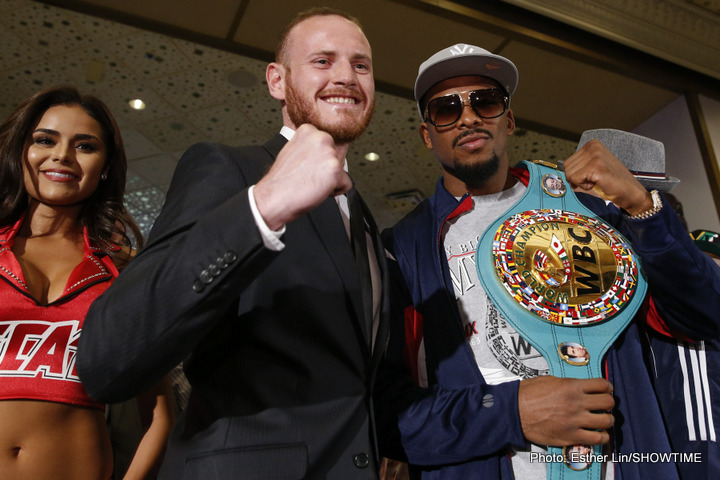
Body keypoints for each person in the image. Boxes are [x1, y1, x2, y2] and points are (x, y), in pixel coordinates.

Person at [375, 43, 720, 479]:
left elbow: (705, 316)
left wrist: (640, 206)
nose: (468, 117)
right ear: (427, 134)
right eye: (445, 109)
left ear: (510, 119)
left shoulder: (588, 212)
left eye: (486, 101)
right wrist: (509, 412)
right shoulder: (403, 249)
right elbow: (389, 417)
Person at [77, 7, 389, 479]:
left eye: (360, 65)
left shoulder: (364, 220)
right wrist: (263, 206)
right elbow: (109, 357)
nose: (346, 76)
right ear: (277, 81)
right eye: (322, 61)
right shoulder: (231, 170)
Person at [0, 86, 174, 479]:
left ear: (106, 166)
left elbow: (159, 415)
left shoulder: (123, 273)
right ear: (20, 151)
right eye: (45, 140)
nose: (61, 155)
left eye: (85, 146)